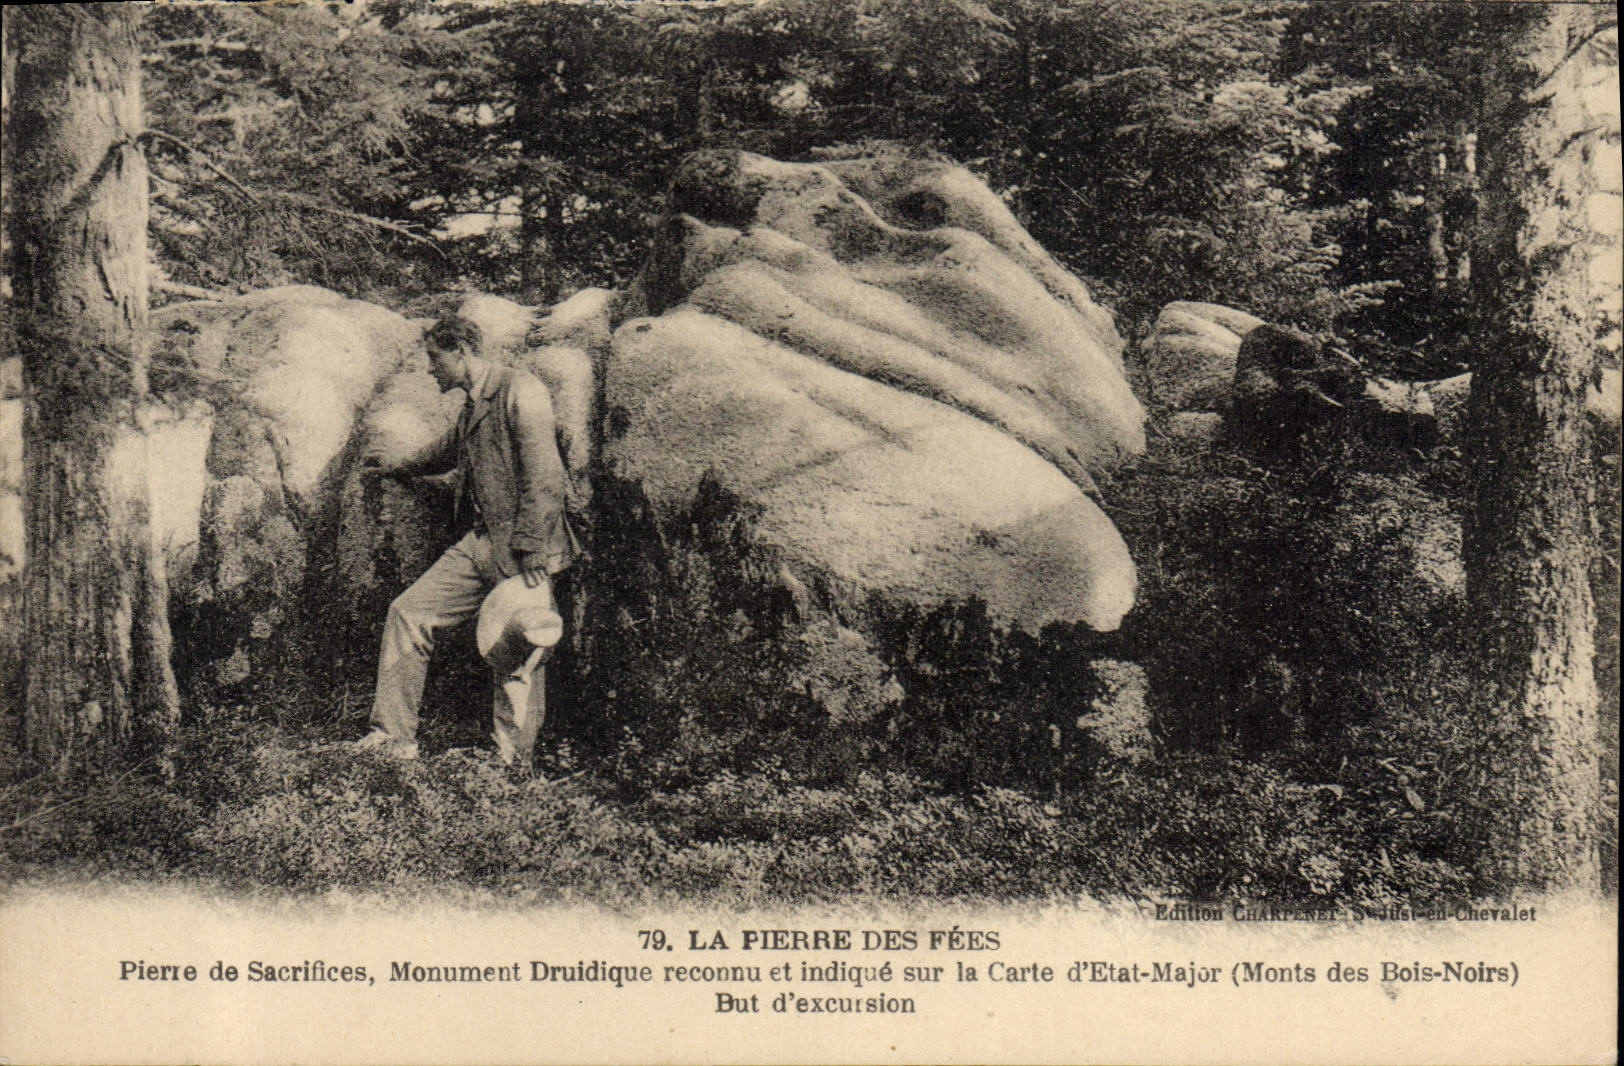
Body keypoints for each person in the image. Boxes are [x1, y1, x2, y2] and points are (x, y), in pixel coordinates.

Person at [355, 315, 579, 768]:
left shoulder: (520, 389)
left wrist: (532, 546)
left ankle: (513, 768)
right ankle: (394, 738)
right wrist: (398, 467)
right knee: (408, 612)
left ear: (461, 350)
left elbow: (546, 475)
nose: (430, 368)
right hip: (479, 544)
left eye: (435, 358)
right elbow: (445, 449)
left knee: (517, 653)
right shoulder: (475, 403)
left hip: (522, 550)